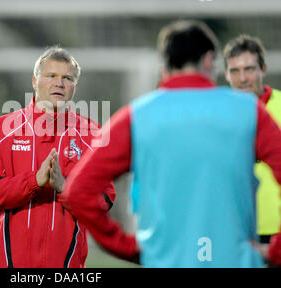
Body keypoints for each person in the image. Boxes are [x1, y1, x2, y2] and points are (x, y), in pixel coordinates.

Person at [62, 20, 281, 267]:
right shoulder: (249, 110)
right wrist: (275, 252)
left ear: (165, 64)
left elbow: (77, 192)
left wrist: (125, 246)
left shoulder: (135, 116)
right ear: (209, 60)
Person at [0, 46, 115, 267]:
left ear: (74, 87)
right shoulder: (0, 130)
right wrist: (34, 181)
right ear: (34, 81)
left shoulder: (92, 134)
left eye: (67, 78)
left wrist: (65, 188)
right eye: (51, 76)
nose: (59, 83)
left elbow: (104, 200)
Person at [224, 35, 281, 246]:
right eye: (235, 71)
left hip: (277, 232)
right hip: (234, 230)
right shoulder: (217, 115)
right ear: (227, 76)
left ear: (263, 69)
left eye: (249, 69)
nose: (243, 78)